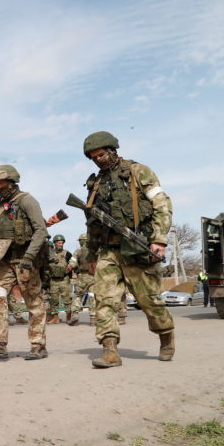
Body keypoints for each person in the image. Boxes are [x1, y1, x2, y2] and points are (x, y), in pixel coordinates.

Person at [81, 131, 175, 368]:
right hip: (108, 250)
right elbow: (92, 223)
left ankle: (166, 335)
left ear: (112, 150)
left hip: (137, 247)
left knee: (149, 301)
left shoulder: (138, 171)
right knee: (104, 300)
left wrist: (159, 240)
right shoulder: (95, 184)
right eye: (94, 157)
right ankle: (110, 350)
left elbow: (162, 204)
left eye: (102, 154)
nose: (99, 159)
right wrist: (91, 255)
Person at [0, 165, 49, 360]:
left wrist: (29, 258)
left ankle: (38, 345)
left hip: (25, 261)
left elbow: (41, 231)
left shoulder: (27, 201)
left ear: (12, 181)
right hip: (4, 263)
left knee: (33, 302)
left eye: (1, 182)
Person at [68, 233, 96, 324]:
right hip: (93, 277)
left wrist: (70, 266)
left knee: (77, 296)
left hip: (81, 277)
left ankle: (75, 314)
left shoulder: (78, 251)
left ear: (82, 241)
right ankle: (93, 318)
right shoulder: (94, 250)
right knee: (92, 296)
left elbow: (72, 263)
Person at [47, 234, 74, 325]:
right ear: (54, 243)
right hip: (53, 280)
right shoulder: (50, 254)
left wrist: (71, 266)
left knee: (67, 299)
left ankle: (69, 316)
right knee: (53, 300)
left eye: (62, 243)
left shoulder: (67, 253)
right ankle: (55, 318)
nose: (61, 244)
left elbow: (74, 262)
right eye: (59, 243)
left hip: (64, 279)